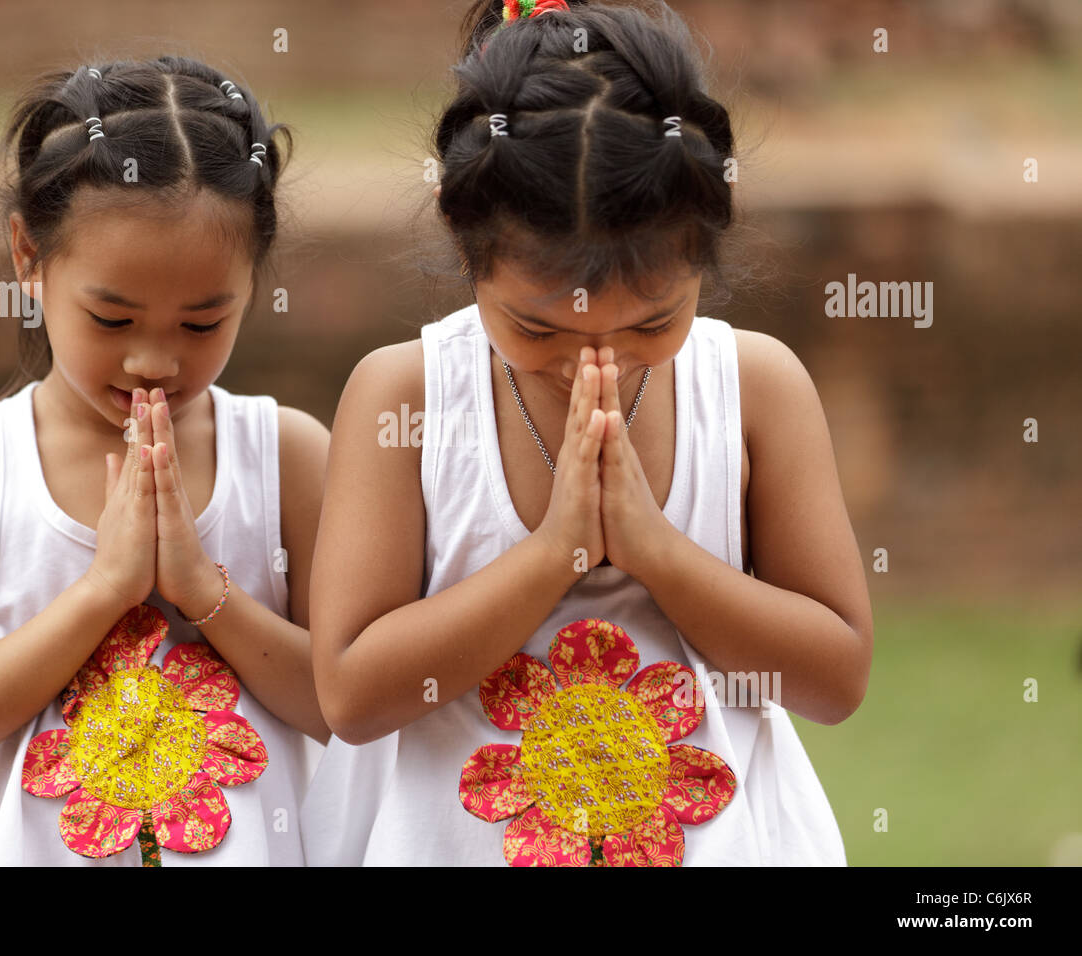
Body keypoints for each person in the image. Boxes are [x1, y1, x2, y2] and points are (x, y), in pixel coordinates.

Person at [304, 0, 872, 866]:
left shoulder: (754, 389)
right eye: (538, 331)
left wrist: (655, 550)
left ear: (707, 252)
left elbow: (834, 680)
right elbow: (352, 694)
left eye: (652, 324)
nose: (589, 363)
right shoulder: (409, 396)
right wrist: (556, 551)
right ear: (467, 250)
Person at [0, 55, 330, 866]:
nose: (154, 362)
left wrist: (201, 591)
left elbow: (339, 704)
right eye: (111, 319)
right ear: (28, 255)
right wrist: (103, 590)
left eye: (202, 324)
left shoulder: (287, 455)